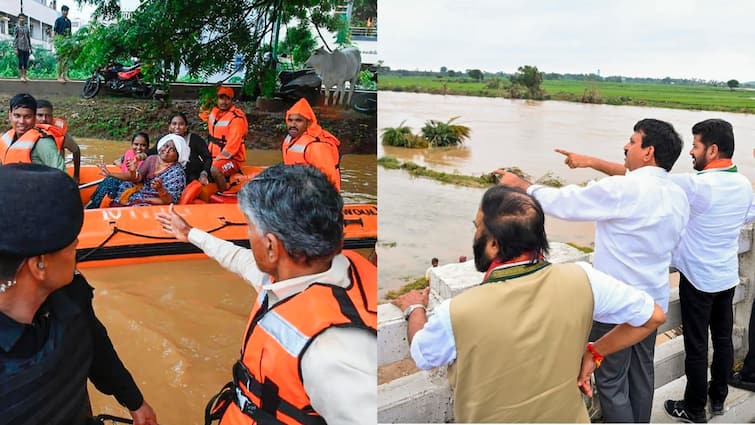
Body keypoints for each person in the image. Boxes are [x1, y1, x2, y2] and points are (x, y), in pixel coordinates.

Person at [392, 186, 666, 422]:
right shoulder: (583, 278)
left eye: (477, 228)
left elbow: (423, 354)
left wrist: (414, 309)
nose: (475, 234)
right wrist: (594, 353)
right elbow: (653, 316)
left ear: (494, 245)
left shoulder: (457, 311)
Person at [559, 119, 753, 422]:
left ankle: (693, 408)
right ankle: (718, 401)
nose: (691, 151)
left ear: (713, 149)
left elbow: (640, 179)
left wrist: (589, 161)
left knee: (697, 347)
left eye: (697, 145)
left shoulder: (697, 185)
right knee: (724, 340)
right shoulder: (743, 183)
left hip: (699, 278)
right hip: (726, 276)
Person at [497, 118, 689, 423]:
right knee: (641, 376)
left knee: (611, 382)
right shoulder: (678, 194)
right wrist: (588, 162)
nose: (626, 146)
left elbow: (566, 203)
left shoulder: (623, 189)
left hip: (616, 306)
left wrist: (521, 186)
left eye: (632, 141)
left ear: (648, 151)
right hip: (653, 302)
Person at [156, 164, 376, 425]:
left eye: (250, 228)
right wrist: (190, 234)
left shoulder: (332, 352)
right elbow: (239, 259)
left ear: (271, 246)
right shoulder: (295, 273)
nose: (248, 236)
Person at [0, 163, 158, 425]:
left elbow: (95, 343)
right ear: (39, 264)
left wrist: (134, 401)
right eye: (71, 244)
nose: (77, 248)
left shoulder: (70, 295)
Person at [110, 134, 187, 207]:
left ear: (178, 155)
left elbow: (171, 201)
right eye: (166, 146)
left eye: (172, 150)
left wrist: (160, 189)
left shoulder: (177, 172)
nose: (166, 150)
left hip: (156, 201)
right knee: (115, 184)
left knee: (136, 204)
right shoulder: (152, 159)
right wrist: (133, 171)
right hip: (141, 191)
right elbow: (138, 178)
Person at [282, 98, 342, 191]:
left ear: (308, 123)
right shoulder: (291, 138)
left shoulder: (316, 146)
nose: (293, 124)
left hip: (315, 196)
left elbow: (329, 180)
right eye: (290, 120)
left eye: (298, 120)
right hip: (297, 190)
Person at [200, 86, 248, 192]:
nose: (224, 102)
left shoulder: (236, 119)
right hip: (214, 154)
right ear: (217, 99)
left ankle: (224, 194)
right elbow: (203, 114)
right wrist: (208, 99)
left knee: (214, 169)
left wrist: (218, 160)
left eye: (227, 99)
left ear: (232, 100)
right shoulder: (215, 112)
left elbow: (233, 145)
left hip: (232, 158)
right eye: (221, 98)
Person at [1, 94, 65, 171]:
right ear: (10, 115)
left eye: (27, 117)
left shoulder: (43, 143)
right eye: (17, 116)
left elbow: (61, 174)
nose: (21, 121)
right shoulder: (6, 138)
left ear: (34, 118)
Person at [87, 132, 150, 209]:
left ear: (147, 147)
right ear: (131, 145)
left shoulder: (148, 160)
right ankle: (91, 203)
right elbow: (118, 161)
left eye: (143, 145)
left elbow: (134, 177)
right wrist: (118, 165)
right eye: (136, 144)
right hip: (123, 179)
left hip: (134, 183)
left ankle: (93, 206)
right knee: (109, 180)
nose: (139, 148)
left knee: (111, 180)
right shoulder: (129, 153)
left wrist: (110, 173)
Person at [147, 112, 212, 185]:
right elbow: (152, 152)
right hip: (168, 178)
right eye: (174, 124)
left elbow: (207, 158)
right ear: (169, 126)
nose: (177, 127)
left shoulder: (195, 140)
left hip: (192, 178)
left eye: (181, 124)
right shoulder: (165, 140)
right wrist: (140, 155)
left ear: (186, 127)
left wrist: (204, 174)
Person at [35, 99, 81, 183]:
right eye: (40, 115)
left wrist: (76, 176)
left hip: (55, 177)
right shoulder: (24, 132)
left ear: (52, 116)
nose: (44, 119)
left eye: (48, 115)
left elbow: (76, 150)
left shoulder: (60, 133)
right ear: (33, 115)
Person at [53, 5, 72, 82]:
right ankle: (59, 76)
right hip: (59, 41)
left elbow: (70, 33)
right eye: (64, 11)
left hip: (67, 42)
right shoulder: (58, 20)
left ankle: (65, 75)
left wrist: (70, 42)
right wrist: (55, 42)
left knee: (66, 60)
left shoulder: (69, 21)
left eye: (67, 11)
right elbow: (55, 32)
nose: (65, 12)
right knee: (60, 60)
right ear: (62, 11)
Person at [13, 14, 32, 82]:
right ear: (18, 19)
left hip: (26, 47)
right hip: (19, 47)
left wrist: (30, 48)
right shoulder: (17, 27)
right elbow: (15, 38)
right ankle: (21, 76)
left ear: (25, 19)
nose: (22, 19)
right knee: (21, 63)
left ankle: (25, 76)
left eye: (23, 18)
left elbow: (28, 38)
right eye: (20, 18)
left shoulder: (27, 27)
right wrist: (15, 48)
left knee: (26, 63)